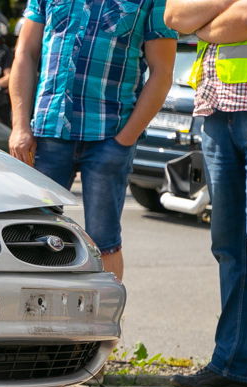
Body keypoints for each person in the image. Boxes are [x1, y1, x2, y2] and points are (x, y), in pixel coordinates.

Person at [9, 0, 177, 281]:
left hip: (109, 138)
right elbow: (25, 54)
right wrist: (20, 126)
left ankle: (103, 322)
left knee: (104, 241)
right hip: (48, 134)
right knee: (31, 236)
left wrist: (125, 139)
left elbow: (162, 73)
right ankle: (35, 323)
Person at [165, 0, 247, 387]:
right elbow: (174, 18)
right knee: (233, 248)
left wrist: (202, 24)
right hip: (216, 114)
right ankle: (233, 364)